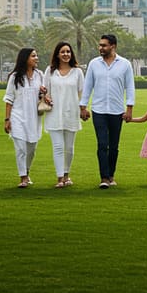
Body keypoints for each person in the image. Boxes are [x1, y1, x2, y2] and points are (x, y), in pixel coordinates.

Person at [79, 34, 135, 189]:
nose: (100, 48)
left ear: (113, 46)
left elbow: (129, 87)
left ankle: (111, 175)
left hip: (117, 111)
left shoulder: (124, 64)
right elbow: (88, 86)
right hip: (99, 110)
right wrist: (83, 107)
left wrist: (129, 108)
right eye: (100, 45)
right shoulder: (94, 64)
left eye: (104, 45)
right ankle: (104, 177)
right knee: (102, 144)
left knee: (114, 145)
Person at [3, 47, 47, 189]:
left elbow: (44, 96)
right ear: (25, 58)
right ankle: (23, 177)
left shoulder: (40, 75)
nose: (36, 58)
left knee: (31, 149)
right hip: (17, 117)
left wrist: (43, 93)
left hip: (34, 118)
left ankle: (27, 171)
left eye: (36, 55)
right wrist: (7, 119)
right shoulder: (15, 77)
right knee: (21, 148)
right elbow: (9, 99)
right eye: (33, 56)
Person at [44, 41, 85, 188]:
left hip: (71, 113)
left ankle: (67, 174)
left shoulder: (77, 72)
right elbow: (44, 91)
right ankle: (60, 177)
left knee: (69, 147)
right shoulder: (50, 71)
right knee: (58, 146)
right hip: (54, 114)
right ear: (57, 54)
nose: (66, 54)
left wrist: (83, 109)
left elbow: (82, 93)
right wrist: (45, 97)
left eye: (68, 52)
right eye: (62, 52)